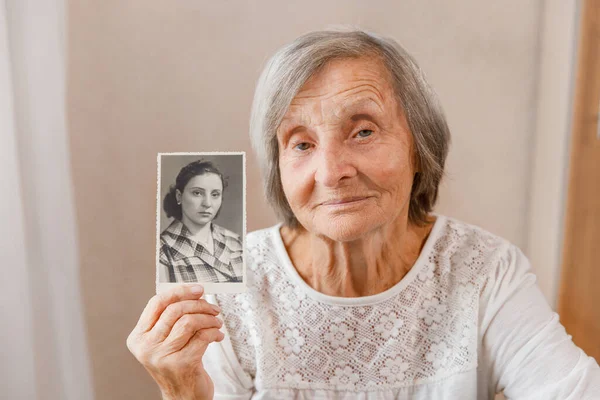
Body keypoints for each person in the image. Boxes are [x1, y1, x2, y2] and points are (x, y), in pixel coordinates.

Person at [128, 30, 600, 399]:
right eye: (302, 144)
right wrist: (183, 392)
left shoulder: (486, 270)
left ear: (420, 147)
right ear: (279, 170)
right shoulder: (230, 286)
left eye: (363, 131)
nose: (331, 172)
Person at [159, 159, 243, 283]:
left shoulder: (236, 241)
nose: (208, 203)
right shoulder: (164, 250)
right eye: (197, 193)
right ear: (179, 196)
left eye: (215, 194)